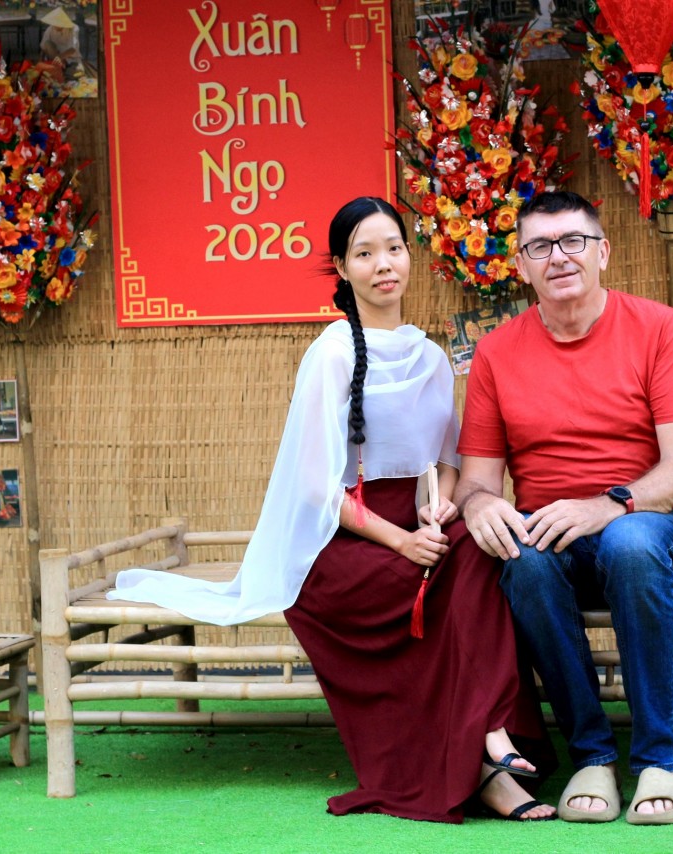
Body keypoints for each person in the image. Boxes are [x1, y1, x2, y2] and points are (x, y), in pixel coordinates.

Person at [108, 196, 555, 823]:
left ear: (409, 257)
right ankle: (488, 751)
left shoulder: (429, 354)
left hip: (419, 524)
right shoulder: (332, 352)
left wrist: (442, 511)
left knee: (481, 557)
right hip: (343, 542)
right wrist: (402, 542)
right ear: (342, 269)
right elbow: (318, 488)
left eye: (393, 248)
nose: (383, 265)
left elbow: (449, 456)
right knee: (438, 579)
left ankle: (488, 749)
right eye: (364, 254)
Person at [455, 190, 673, 825]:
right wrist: (481, 505)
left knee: (629, 544)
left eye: (573, 241)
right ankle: (591, 757)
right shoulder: (495, 352)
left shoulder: (656, 326)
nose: (558, 257)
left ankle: (658, 762)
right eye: (540, 246)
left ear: (602, 253)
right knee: (524, 561)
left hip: (655, 531)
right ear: (521, 266)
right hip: (551, 536)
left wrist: (610, 505)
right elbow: (475, 483)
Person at [36, 7, 83, 83]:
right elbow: (43, 47)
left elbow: (72, 49)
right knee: (48, 43)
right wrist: (40, 63)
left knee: (71, 76)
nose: (55, 25)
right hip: (55, 59)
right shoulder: (50, 29)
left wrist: (60, 57)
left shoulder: (74, 28)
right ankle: (58, 69)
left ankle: (62, 72)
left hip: (71, 60)